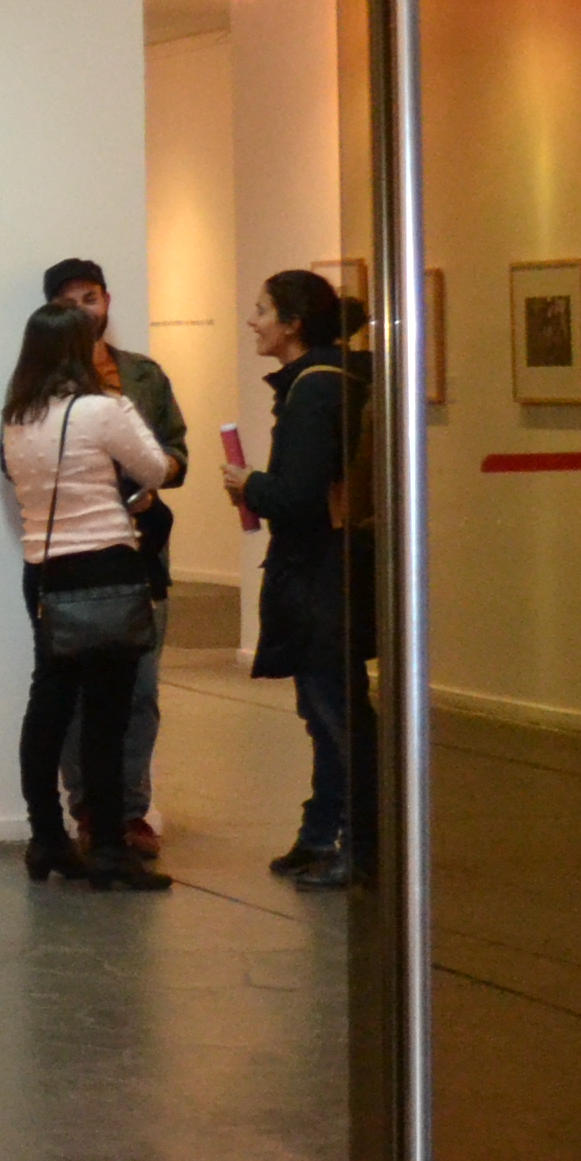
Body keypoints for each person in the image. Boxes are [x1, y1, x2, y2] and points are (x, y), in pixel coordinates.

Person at [0, 298, 178, 893]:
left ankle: (46, 836)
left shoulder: (17, 418)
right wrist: (122, 403)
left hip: (45, 571)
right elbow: (155, 469)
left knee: (49, 705)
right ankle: (107, 848)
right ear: (80, 351)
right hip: (105, 567)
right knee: (107, 713)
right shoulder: (102, 410)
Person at [41, 257, 187, 858]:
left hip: (142, 550)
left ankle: (130, 810)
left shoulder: (143, 376)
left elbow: (175, 452)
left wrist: (155, 477)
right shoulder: (41, 383)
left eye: (92, 297)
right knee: (74, 693)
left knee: (142, 690)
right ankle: (87, 809)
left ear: (107, 301)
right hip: (75, 553)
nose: (85, 310)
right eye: (70, 300)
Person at [223, 269, 358, 890]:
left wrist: (249, 484)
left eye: (262, 309)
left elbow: (299, 497)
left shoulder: (312, 391)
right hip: (330, 570)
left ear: (293, 323)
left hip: (319, 576)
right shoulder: (332, 380)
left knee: (335, 714)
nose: (253, 321)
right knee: (325, 711)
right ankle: (321, 834)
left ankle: (356, 842)